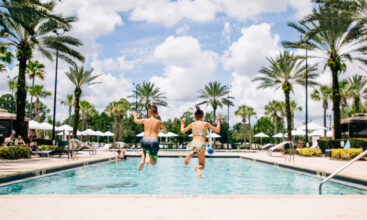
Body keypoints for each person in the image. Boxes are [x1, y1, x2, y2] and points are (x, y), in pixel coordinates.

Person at [181, 106, 221, 178]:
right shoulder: (206, 124)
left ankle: (192, 154)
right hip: (201, 144)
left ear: (194, 117)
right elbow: (217, 130)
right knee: (202, 165)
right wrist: (218, 121)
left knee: (197, 150)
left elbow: (182, 131)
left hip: (193, 144)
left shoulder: (192, 124)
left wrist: (182, 123)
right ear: (203, 117)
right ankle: (197, 168)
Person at [133, 105, 167, 171]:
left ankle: (142, 161)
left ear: (149, 112)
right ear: (157, 114)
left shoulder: (145, 120)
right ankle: (150, 157)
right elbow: (165, 131)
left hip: (145, 140)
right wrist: (161, 130)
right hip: (154, 141)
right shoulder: (159, 122)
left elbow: (136, 120)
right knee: (154, 162)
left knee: (144, 150)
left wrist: (135, 115)